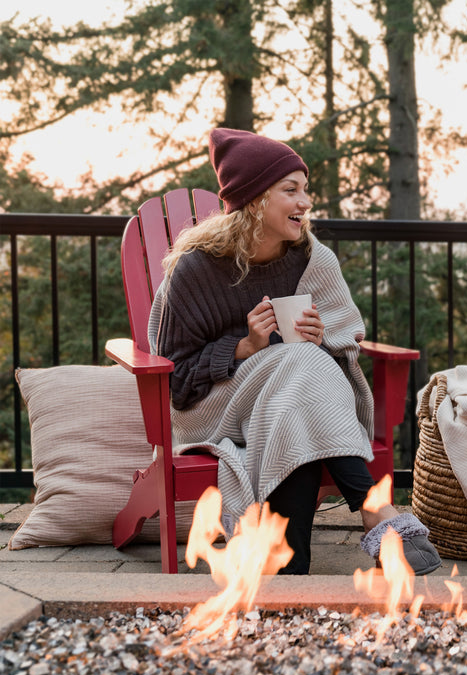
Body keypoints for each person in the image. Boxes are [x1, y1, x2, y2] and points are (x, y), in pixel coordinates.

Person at [150, 128, 441, 575]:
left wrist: (321, 336)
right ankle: (372, 507)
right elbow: (177, 383)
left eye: (306, 189)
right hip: (212, 407)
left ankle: (291, 568)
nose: (305, 202)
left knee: (302, 373)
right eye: (291, 190)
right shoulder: (196, 271)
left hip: (291, 404)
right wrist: (244, 347)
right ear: (253, 200)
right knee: (301, 363)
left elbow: (344, 346)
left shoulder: (311, 259)